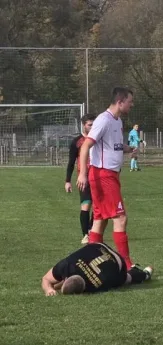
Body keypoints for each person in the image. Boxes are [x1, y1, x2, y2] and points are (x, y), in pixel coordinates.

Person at [76, 87, 138, 270]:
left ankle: (88, 262)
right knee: (120, 218)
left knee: (100, 219)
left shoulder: (117, 121)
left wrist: (127, 149)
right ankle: (127, 265)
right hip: (103, 175)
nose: (131, 105)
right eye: (130, 101)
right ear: (120, 102)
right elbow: (86, 145)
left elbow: (113, 146)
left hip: (110, 175)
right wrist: (82, 174)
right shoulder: (103, 120)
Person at [41, 242, 153, 296]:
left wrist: (49, 289)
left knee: (126, 279)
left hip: (118, 263)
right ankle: (143, 272)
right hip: (99, 246)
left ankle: (144, 273)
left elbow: (45, 279)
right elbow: (46, 279)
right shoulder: (66, 265)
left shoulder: (95, 286)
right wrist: (50, 288)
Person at [65, 113, 96, 244]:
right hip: (84, 178)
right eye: (90, 125)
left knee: (99, 207)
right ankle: (85, 234)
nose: (92, 127)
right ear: (84, 125)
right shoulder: (77, 142)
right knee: (86, 205)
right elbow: (71, 162)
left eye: (94, 124)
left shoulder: (98, 139)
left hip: (98, 177)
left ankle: (91, 230)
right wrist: (67, 181)